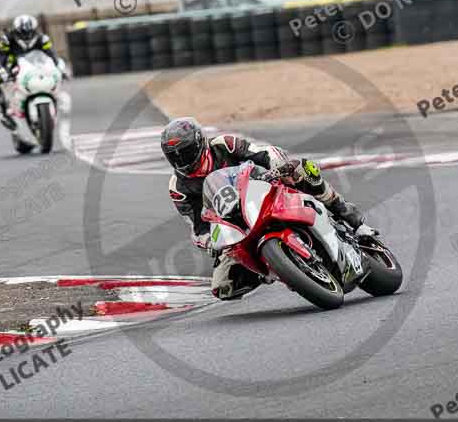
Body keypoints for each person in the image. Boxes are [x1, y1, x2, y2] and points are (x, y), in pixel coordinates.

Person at [161, 117, 378, 300]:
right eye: (175, 156)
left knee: (301, 169)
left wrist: (277, 166)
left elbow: (262, 153)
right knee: (223, 287)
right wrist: (210, 243)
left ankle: (346, 213)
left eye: (186, 152)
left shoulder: (224, 144)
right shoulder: (178, 187)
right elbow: (197, 228)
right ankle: (272, 269)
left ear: (200, 143)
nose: (181, 160)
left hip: (263, 186)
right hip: (236, 224)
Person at [0, 14, 64, 129]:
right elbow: (2, 57)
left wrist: (59, 66)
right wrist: (3, 70)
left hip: (36, 65)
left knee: (56, 75)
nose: (27, 35)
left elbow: (51, 54)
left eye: (29, 32)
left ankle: (52, 99)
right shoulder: (7, 39)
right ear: (16, 30)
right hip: (13, 64)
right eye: (23, 33)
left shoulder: (42, 38)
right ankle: (4, 109)